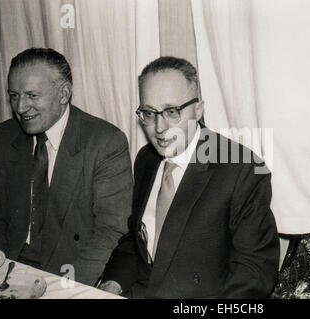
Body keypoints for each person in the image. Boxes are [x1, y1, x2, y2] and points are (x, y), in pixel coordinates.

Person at [100, 56, 279, 298]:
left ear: (199, 109)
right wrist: (112, 283)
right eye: (149, 113)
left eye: (172, 111)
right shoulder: (146, 159)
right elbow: (137, 240)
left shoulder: (242, 169)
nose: (160, 128)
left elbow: (254, 271)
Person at [0, 48, 133, 286]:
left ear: (63, 94)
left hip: (68, 275)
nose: (20, 107)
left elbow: (110, 231)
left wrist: (64, 288)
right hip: (9, 268)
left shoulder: (105, 142)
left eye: (32, 95)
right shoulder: (4, 136)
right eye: (14, 95)